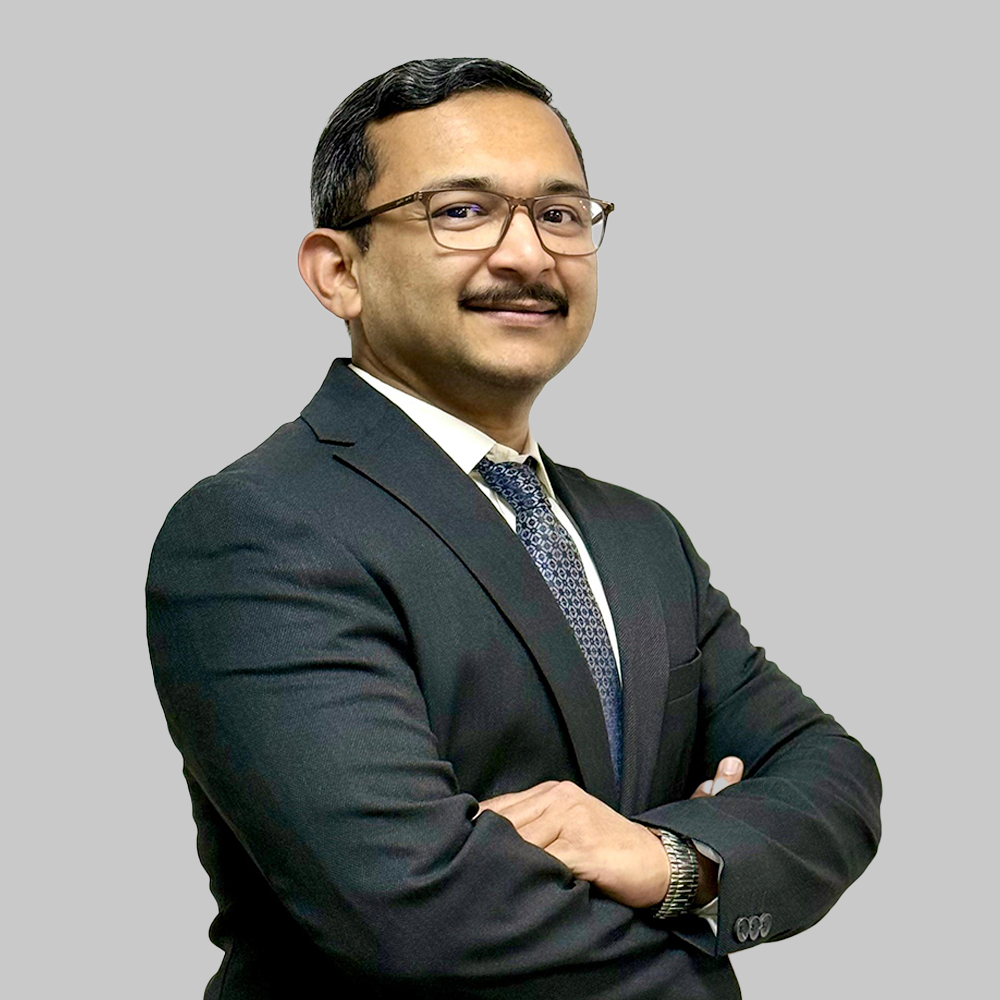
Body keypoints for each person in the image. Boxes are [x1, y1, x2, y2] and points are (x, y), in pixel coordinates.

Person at [146, 57, 881, 999]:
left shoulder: (640, 536)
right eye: (462, 211)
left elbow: (832, 778)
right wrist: (708, 943)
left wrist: (668, 861)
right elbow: (424, 921)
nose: (530, 256)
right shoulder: (259, 530)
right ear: (339, 272)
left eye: (561, 214)